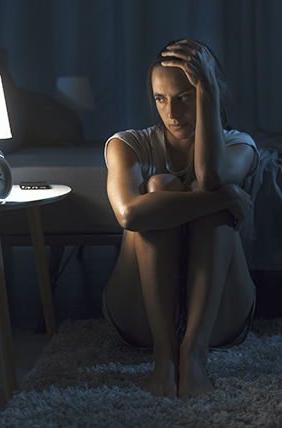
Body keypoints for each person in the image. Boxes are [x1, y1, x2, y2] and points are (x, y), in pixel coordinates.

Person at [103, 39, 259, 400]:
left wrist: (209, 89)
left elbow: (213, 177)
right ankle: (164, 357)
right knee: (162, 185)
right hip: (140, 317)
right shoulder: (127, 145)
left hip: (220, 317)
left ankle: (194, 355)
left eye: (185, 96)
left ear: (209, 92)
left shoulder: (240, 145)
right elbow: (128, 214)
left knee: (209, 197)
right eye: (161, 99)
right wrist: (221, 197)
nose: (171, 112)